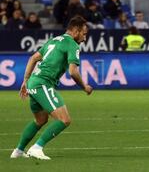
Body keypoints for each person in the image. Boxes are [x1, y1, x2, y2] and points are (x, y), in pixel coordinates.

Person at [10, 16, 93, 160]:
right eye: (84, 34)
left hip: (33, 83)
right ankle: (37, 148)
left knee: (40, 120)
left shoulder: (53, 40)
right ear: (76, 31)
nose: (85, 38)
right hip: (43, 84)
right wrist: (85, 87)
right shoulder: (72, 45)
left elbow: (33, 58)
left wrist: (25, 81)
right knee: (64, 120)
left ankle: (18, 151)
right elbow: (73, 72)